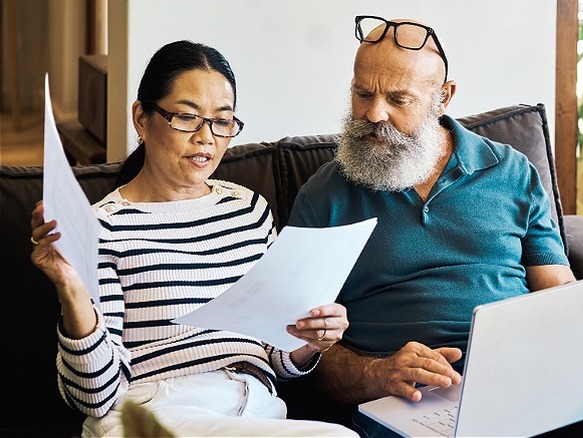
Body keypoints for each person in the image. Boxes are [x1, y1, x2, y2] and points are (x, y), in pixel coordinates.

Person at [287, 16, 583, 437]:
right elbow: (303, 354)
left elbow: (560, 296)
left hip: (528, 380)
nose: (373, 113)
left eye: (398, 99)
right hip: (406, 399)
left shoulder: (511, 171)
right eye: (362, 93)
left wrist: (575, 360)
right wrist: (379, 373)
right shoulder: (324, 195)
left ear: (443, 97)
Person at [30, 40, 357, 437]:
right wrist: (72, 291)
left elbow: (278, 357)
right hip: (157, 409)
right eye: (187, 117)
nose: (207, 138)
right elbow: (94, 396)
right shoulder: (103, 226)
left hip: (255, 408)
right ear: (141, 118)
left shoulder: (249, 210)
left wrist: (311, 338)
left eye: (222, 121)